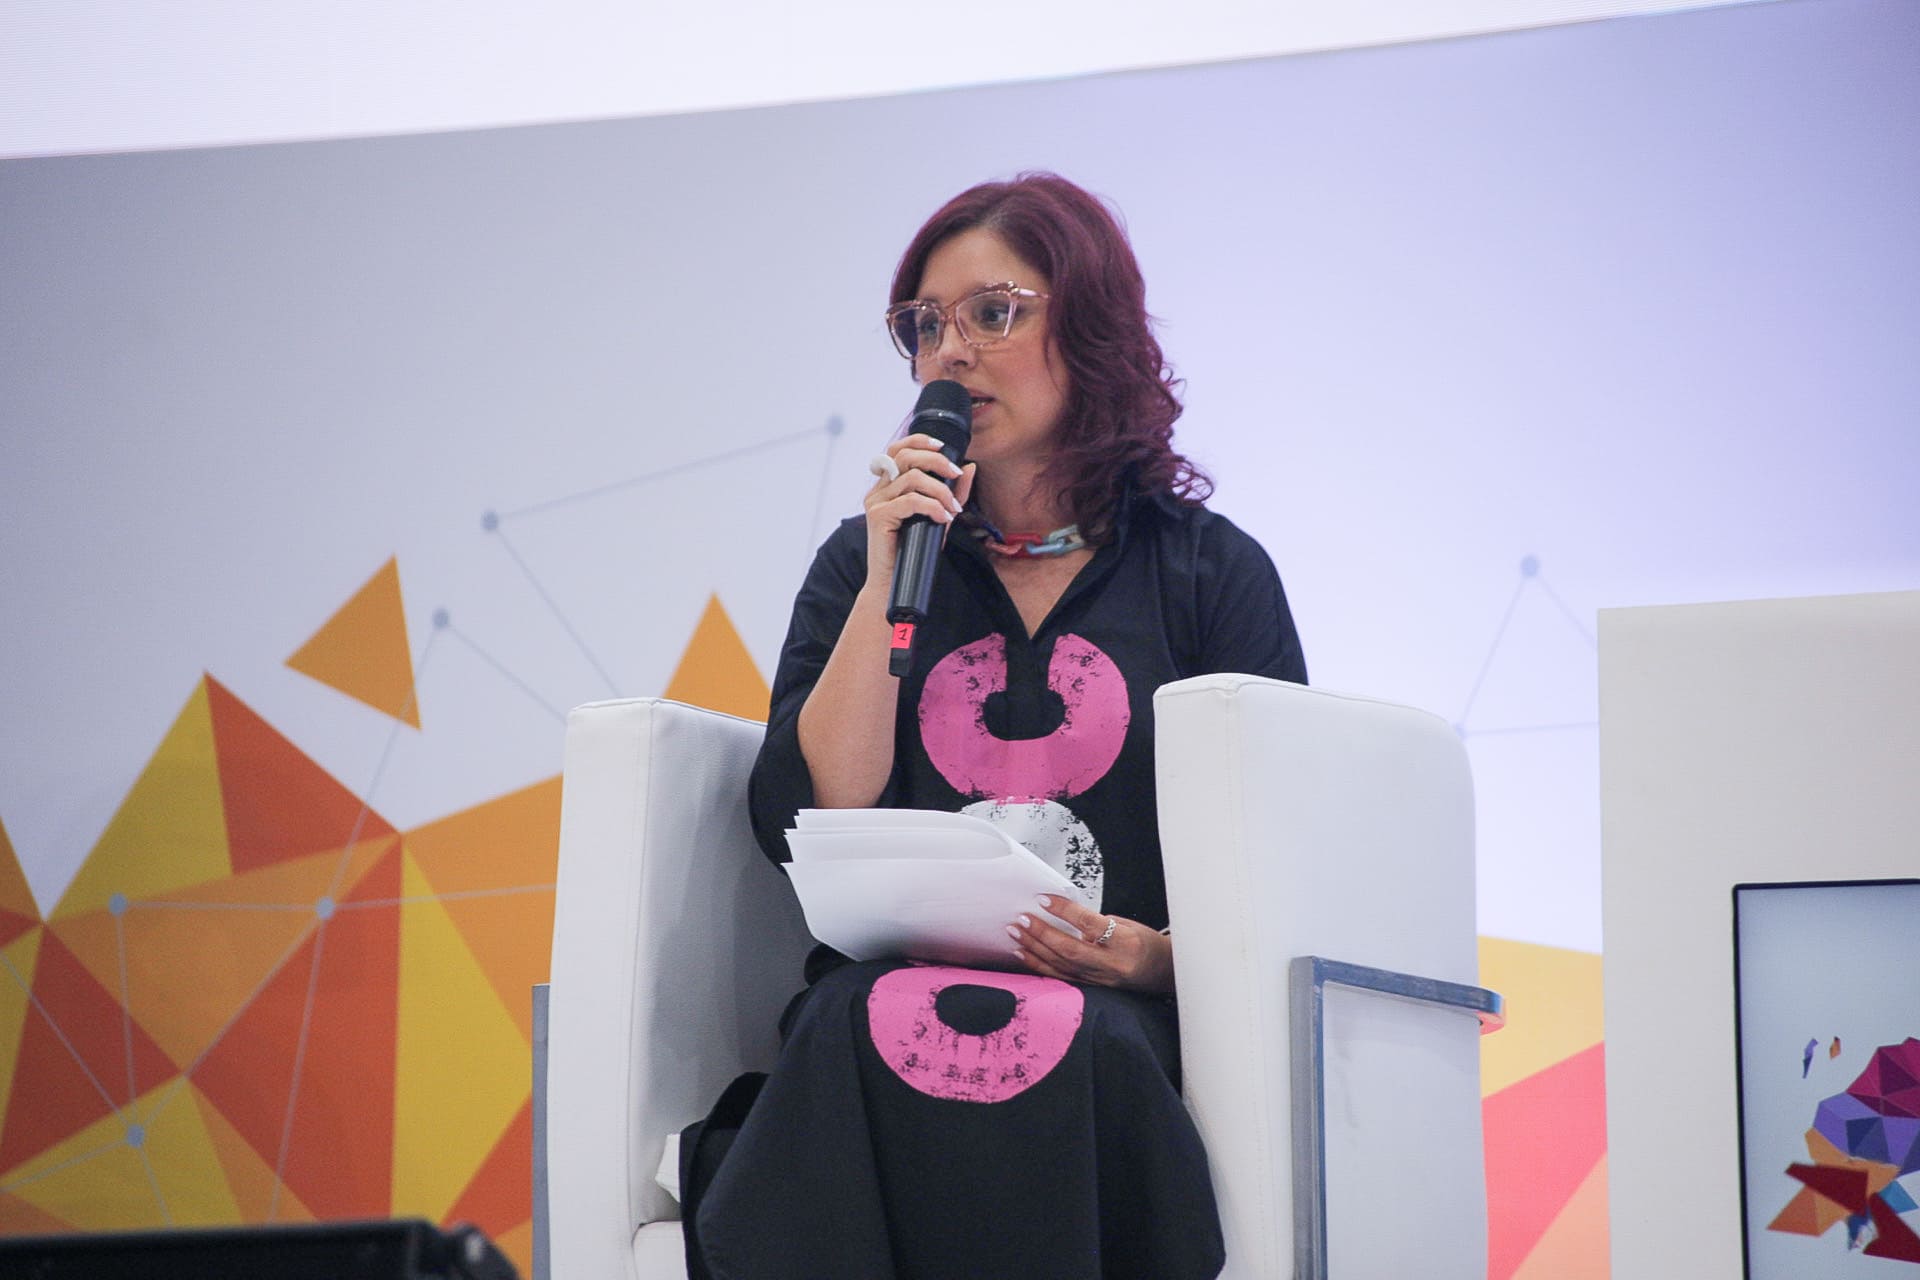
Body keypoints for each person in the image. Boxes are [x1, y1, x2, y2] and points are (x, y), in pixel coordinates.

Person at [696, 172, 1307, 1280]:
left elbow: (1285, 864)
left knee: (1077, 1039)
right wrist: (887, 574)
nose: (952, 353)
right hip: (883, 997)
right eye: (924, 325)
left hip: (1115, 1011)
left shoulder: (1208, 573)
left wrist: (1151, 959)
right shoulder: (866, 559)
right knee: (849, 1022)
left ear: (1093, 332)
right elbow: (805, 814)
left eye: (993, 313)